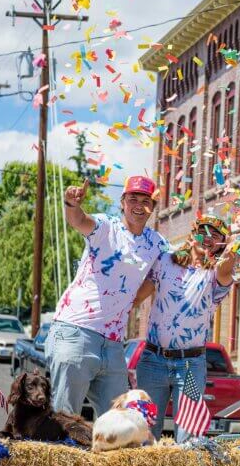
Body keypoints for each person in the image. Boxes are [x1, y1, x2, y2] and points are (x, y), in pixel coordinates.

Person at [46, 176, 168, 416]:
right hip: (76, 331)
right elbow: (79, 220)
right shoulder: (106, 226)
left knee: (119, 421)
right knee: (65, 417)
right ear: (122, 202)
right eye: (133, 198)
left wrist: (134, 300)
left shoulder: (157, 243)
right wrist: (72, 204)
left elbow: (161, 275)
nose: (139, 205)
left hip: (113, 344)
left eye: (146, 201)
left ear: (152, 208)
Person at [135, 215, 237, 442]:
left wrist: (230, 247)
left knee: (188, 436)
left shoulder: (215, 275)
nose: (207, 238)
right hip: (153, 360)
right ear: (193, 236)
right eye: (203, 232)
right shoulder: (165, 262)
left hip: (190, 365)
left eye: (215, 236)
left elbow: (226, 267)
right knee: (144, 430)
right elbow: (138, 296)